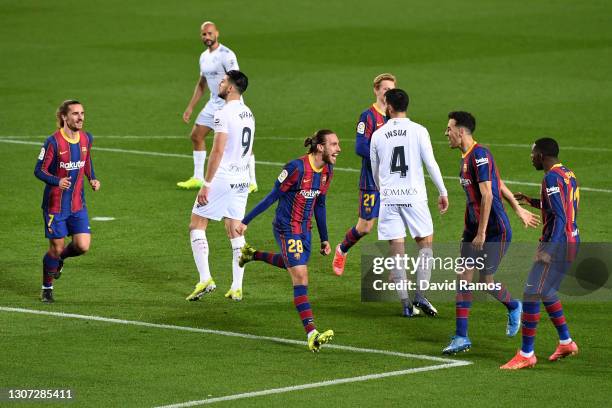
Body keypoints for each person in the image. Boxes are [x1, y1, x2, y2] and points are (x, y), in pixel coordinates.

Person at [442, 111, 540, 355]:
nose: (446, 133)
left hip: (494, 231)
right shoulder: (466, 158)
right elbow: (500, 183)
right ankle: (461, 336)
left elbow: (488, 194)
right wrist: (518, 208)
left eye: (449, 129)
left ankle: (513, 305)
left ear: (461, 131)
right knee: (464, 277)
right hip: (473, 228)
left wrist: (483, 233)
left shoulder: (480, 155)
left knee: (486, 281)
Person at [236, 130, 341, 352]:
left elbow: (320, 205)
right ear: (320, 147)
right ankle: (312, 333)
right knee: (301, 275)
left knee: (290, 264)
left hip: (305, 230)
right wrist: (246, 221)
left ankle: (251, 254)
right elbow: (272, 196)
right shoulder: (295, 168)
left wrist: (325, 239)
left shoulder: (327, 171)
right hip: (286, 227)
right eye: (333, 144)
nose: (338, 149)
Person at [501, 137, 580, 369]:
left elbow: (559, 217)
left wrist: (548, 250)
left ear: (542, 156)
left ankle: (526, 354)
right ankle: (566, 342)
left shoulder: (551, 178)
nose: (531, 157)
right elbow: (562, 206)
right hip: (572, 239)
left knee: (531, 292)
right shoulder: (567, 174)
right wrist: (531, 201)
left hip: (558, 245)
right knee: (546, 291)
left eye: (533, 153)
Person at [369, 88, 448, 317]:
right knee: (425, 245)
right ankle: (421, 295)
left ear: (389, 107)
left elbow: (374, 171)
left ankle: (405, 305)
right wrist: (442, 191)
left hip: (389, 198)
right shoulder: (419, 131)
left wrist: (382, 189)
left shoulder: (378, 135)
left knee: (396, 251)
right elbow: (431, 164)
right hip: (414, 196)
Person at [185, 70, 254, 302]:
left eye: (224, 81)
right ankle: (237, 287)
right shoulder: (248, 113)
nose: (220, 83)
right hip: (242, 179)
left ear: (231, 88)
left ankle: (205, 278)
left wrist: (206, 184)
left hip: (223, 178)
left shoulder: (222, 112)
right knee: (235, 230)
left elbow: (218, 149)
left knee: (197, 224)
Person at [177, 21, 257, 193]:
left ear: (217, 33)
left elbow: (236, 78)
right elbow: (201, 84)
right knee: (196, 136)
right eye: (204, 34)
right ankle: (198, 178)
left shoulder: (227, 55)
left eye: (210, 33)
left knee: (238, 139)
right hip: (214, 102)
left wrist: (234, 102)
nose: (207, 37)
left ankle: (251, 181)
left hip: (230, 102)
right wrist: (190, 107)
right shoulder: (203, 57)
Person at [34, 100, 100, 303]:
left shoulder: (86, 138)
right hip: (56, 206)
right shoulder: (53, 142)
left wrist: (92, 178)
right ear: (64, 117)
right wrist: (57, 180)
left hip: (78, 204)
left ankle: (60, 260)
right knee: (55, 247)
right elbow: (39, 170)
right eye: (75, 114)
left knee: (82, 246)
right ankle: (47, 287)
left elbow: (86, 160)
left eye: (82, 113)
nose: (80, 117)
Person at [333, 73, 396, 276]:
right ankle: (342, 249)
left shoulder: (395, 116)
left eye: (391, 89)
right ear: (376, 90)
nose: (388, 93)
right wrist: (383, 156)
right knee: (366, 226)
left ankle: (397, 272)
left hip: (393, 181)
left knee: (395, 225)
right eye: (385, 89)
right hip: (371, 180)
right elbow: (360, 147)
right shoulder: (368, 116)